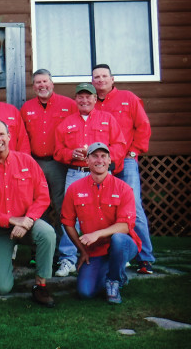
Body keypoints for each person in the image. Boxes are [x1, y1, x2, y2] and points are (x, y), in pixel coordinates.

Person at [0, 120, 56, 306]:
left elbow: (42, 197)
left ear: (9, 137)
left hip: (28, 223)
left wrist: (27, 221)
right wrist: (10, 220)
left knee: (47, 233)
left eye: (2, 134)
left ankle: (40, 286)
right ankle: (3, 265)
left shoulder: (27, 161)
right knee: (2, 288)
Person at [53, 82, 127, 278]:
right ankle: (67, 259)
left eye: (89, 96)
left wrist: (108, 161)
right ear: (75, 99)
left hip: (103, 173)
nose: (85, 100)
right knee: (69, 216)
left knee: (107, 212)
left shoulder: (108, 119)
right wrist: (70, 153)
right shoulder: (66, 123)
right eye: (81, 96)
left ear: (95, 99)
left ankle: (112, 253)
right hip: (76, 172)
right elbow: (57, 151)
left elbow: (120, 144)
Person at [92, 63, 155, 275]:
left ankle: (145, 257)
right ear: (93, 81)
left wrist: (135, 151)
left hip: (125, 160)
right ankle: (109, 253)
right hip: (102, 163)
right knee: (103, 208)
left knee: (133, 207)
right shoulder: (91, 102)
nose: (100, 80)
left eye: (104, 76)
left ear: (112, 79)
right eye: (96, 77)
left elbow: (143, 126)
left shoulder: (128, 98)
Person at [61, 142, 141, 304]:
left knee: (118, 239)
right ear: (87, 161)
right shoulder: (74, 189)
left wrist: (96, 234)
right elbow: (67, 222)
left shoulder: (123, 188)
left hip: (123, 245)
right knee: (85, 292)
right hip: (95, 251)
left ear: (110, 160)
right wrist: (82, 250)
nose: (100, 160)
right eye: (94, 156)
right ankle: (115, 272)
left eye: (103, 156)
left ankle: (114, 280)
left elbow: (125, 226)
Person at [20, 69, 78, 238]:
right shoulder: (27, 108)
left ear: (52, 84)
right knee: (37, 205)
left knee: (63, 206)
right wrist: (26, 161)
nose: (42, 85)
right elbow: (22, 137)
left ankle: (64, 249)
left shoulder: (69, 105)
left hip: (59, 163)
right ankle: (41, 246)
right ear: (34, 86)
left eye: (45, 81)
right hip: (35, 163)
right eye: (38, 82)